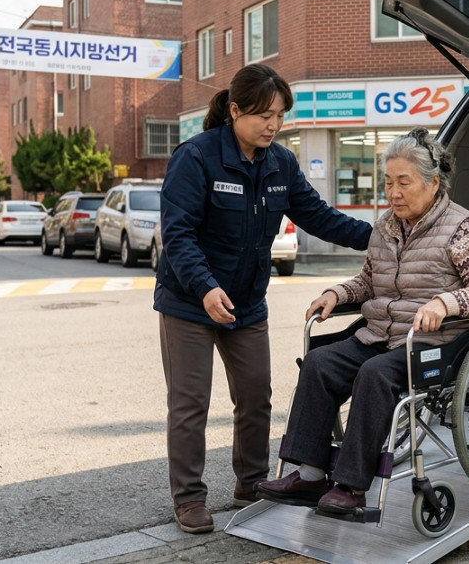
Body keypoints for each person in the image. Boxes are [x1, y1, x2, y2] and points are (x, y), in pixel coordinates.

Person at [155, 64, 372, 534]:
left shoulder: (281, 163)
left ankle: (250, 485)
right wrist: (205, 287)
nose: (273, 125)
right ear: (235, 111)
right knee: (190, 404)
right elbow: (178, 234)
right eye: (263, 115)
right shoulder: (197, 157)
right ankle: (189, 499)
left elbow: (320, 216)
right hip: (189, 301)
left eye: (279, 115)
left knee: (255, 398)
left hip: (247, 304)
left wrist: (382, 238)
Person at [255, 127, 469, 514]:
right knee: (320, 363)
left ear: (433, 183)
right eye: (388, 182)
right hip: (381, 335)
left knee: (374, 374)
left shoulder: (462, 228)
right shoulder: (386, 226)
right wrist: (337, 294)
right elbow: (369, 281)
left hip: (436, 343)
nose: (394, 192)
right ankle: (309, 475)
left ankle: (352, 486)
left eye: (404, 182)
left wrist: (445, 303)